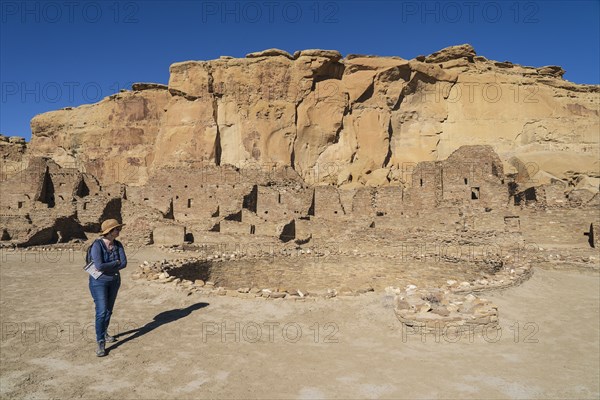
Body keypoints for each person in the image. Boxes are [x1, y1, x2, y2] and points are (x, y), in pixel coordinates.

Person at [88, 219, 127, 357]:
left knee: (109, 311)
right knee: (101, 311)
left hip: (114, 281)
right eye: (117, 229)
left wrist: (110, 264)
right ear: (109, 232)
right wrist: (115, 262)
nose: (119, 231)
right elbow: (99, 266)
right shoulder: (97, 245)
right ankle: (100, 341)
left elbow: (124, 263)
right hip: (99, 282)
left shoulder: (118, 245)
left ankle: (104, 333)